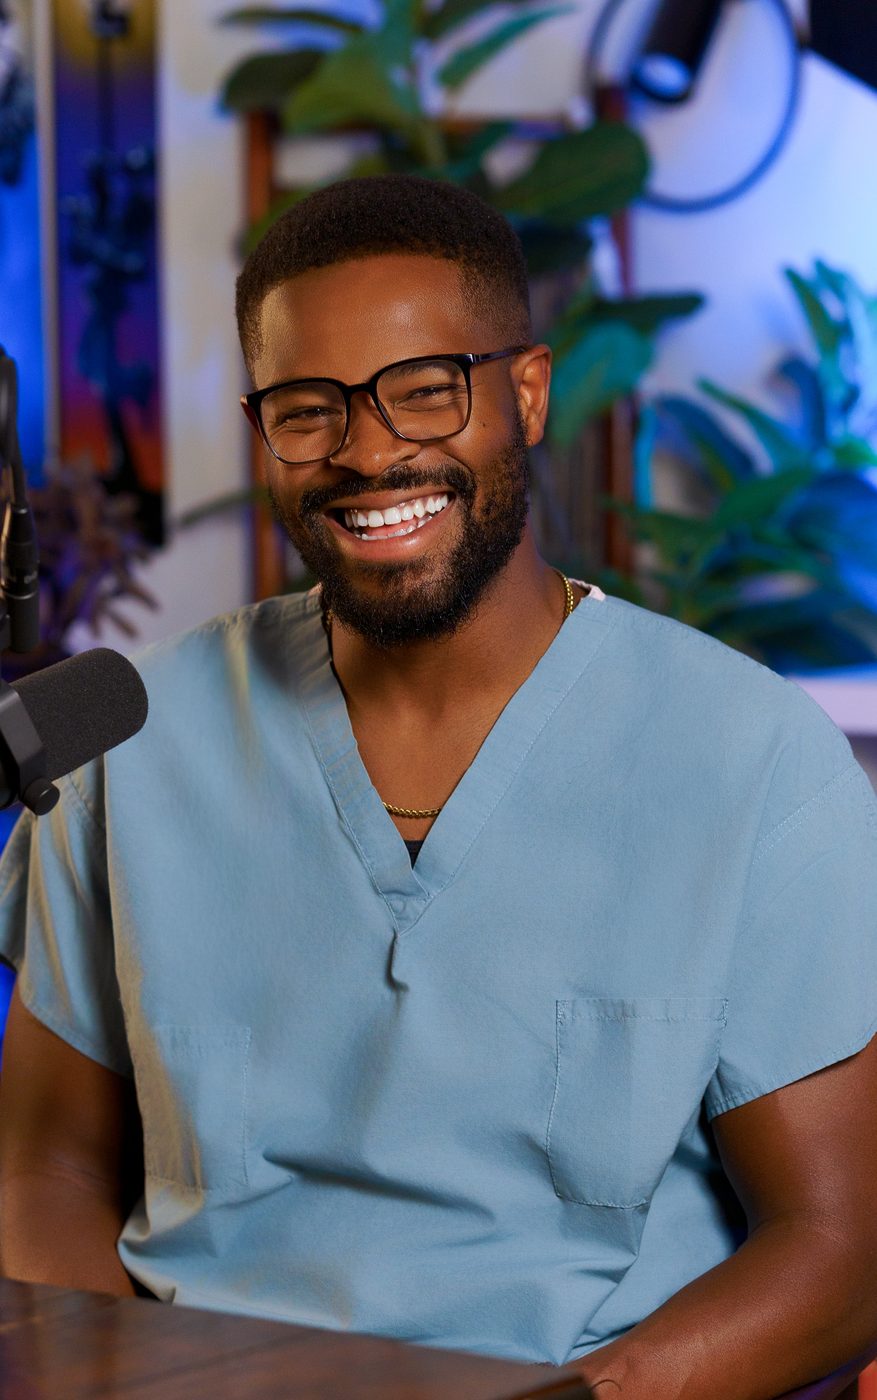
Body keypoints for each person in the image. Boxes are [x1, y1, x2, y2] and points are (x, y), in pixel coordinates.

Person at [0, 175, 875, 1399]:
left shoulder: (752, 759)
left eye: (424, 390)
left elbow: (840, 1254)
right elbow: (42, 1168)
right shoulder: (130, 742)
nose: (368, 452)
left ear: (527, 392)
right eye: (308, 409)